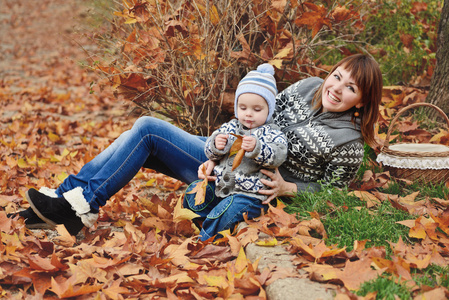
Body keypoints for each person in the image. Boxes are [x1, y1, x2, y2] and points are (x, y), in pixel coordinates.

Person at [9, 53, 382, 238]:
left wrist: (289, 188)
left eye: (350, 87)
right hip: (224, 160)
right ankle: (66, 202)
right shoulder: (305, 88)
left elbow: (336, 189)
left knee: (146, 131)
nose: (335, 88)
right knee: (145, 131)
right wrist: (214, 152)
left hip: (246, 187)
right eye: (337, 76)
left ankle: (70, 205)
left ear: (362, 100)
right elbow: (256, 116)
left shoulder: (349, 142)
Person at [184, 64, 288, 241]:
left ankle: (204, 241)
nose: (248, 114)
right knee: (192, 193)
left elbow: (278, 155)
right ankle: (202, 222)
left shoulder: (272, 133)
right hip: (221, 188)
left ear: (269, 110)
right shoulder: (230, 127)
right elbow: (210, 152)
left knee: (226, 210)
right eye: (243, 108)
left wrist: (258, 148)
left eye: (257, 110)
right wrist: (216, 145)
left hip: (251, 196)